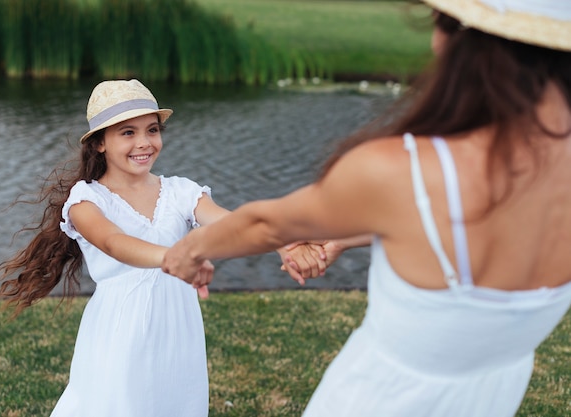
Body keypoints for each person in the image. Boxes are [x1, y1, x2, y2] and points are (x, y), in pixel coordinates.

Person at [162, 1, 571, 415]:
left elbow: (269, 224)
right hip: (492, 397)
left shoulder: (402, 168)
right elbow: (472, 225)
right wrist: (342, 238)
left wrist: (190, 249)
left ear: (463, 39)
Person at [0, 79, 326, 416]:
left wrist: (283, 242)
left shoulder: (181, 192)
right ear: (99, 144)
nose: (144, 143)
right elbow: (114, 242)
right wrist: (174, 258)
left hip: (178, 332)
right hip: (120, 332)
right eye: (127, 133)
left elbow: (234, 225)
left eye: (152, 130)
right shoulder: (87, 200)